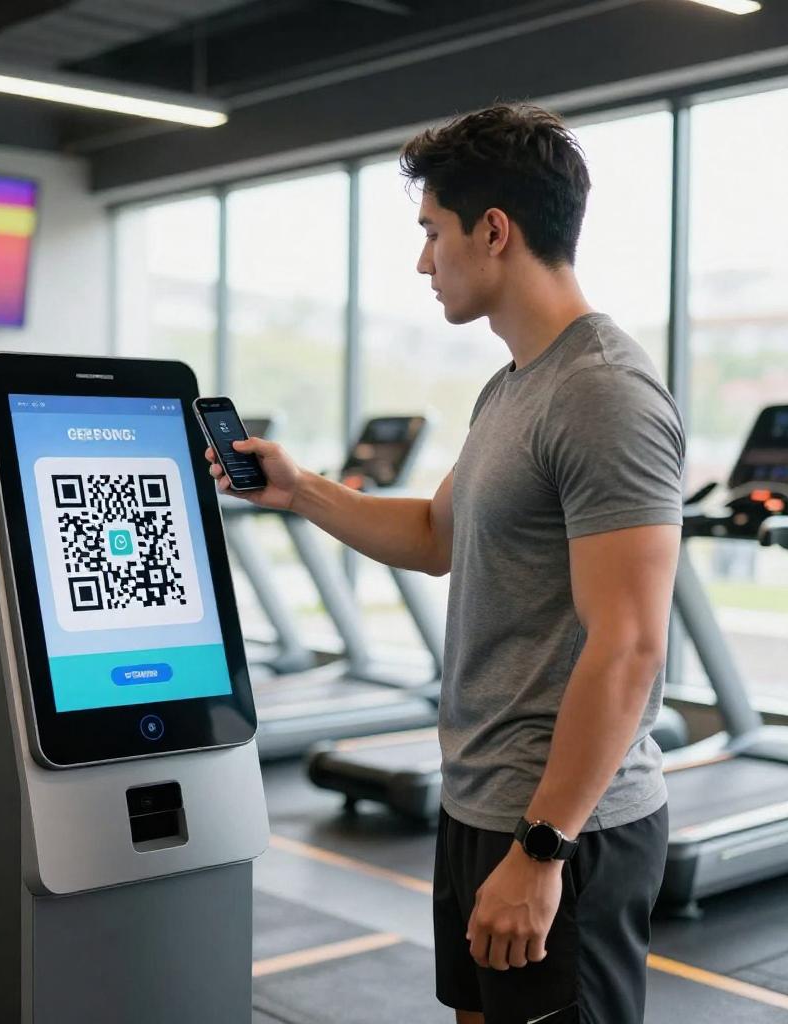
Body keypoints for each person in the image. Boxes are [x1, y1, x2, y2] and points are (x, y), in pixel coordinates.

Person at [206, 103, 685, 1024]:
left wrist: (542, 849)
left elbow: (629, 646)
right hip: (482, 802)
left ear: (493, 231)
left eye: (433, 232)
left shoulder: (601, 393)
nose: (424, 262)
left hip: (563, 828)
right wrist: (299, 490)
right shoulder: (513, 386)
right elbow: (435, 535)